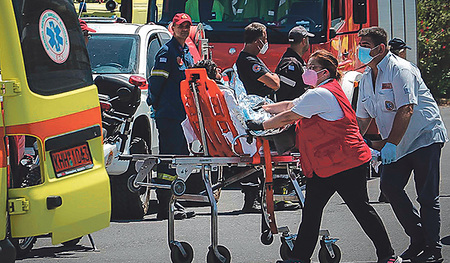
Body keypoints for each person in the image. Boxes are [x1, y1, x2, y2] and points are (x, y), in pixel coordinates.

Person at [247, 49, 401, 263]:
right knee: (312, 210)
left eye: (312, 67)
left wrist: (261, 124)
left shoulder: (320, 94)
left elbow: (290, 115)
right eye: (307, 66)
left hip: (344, 162)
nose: (307, 71)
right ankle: (300, 256)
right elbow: (291, 105)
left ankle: (388, 255)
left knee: (360, 209)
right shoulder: (321, 91)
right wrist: (264, 107)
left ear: (325, 72)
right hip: (329, 163)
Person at [356, 27, 447, 263]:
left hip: (423, 136)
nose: (361, 49)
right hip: (396, 142)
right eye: (361, 44)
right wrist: (354, 143)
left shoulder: (401, 69)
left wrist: (390, 145)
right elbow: (363, 118)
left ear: (381, 48)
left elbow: (406, 108)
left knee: (427, 197)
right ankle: (418, 238)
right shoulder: (366, 77)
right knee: (390, 186)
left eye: (366, 44)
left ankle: (434, 249)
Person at [147, 13, 196, 221]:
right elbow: (156, 83)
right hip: (169, 115)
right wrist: (155, 104)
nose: (184, 29)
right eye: (180, 26)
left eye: (187, 26)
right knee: (170, 161)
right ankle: (165, 206)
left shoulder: (185, 52)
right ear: (172, 28)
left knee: (179, 159)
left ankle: (172, 202)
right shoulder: (167, 52)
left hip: (182, 116)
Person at [235, 22, 280, 213]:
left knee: (258, 156)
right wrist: (274, 77)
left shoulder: (251, 58)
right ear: (258, 40)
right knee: (255, 156)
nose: (266, 42)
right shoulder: (249, 61)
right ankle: (251, 199)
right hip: (255, 112)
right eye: (265, 39)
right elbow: (274, 83)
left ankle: (259, 196)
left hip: (258, 111)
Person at [275, 25, 313, 102]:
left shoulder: (294, 61)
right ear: (304, 41)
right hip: (292, 110)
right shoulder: (291, 64)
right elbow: (285, 94)